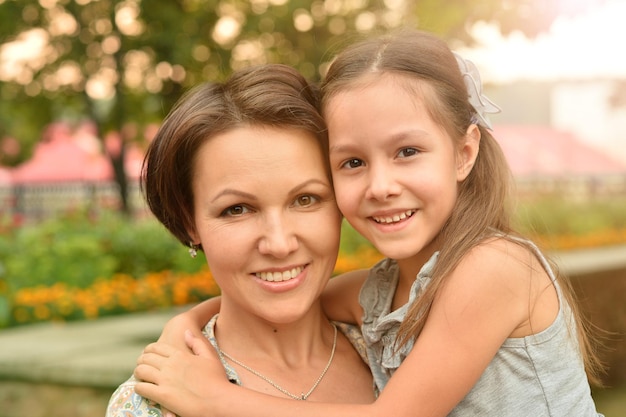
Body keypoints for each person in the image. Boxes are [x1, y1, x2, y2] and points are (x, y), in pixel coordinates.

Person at [134, 29, 604, 416]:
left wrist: (215, 398)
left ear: (464, 153)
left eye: (407, 152)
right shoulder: (379, 293)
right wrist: (186, 327)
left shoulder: (495, 266)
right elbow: (289, 295)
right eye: (353, 162)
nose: (381, 186)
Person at [105, 63, 376, 417]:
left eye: (305, 199)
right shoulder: (155, 404)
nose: (279, 244)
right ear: (190, 222)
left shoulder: (395, 349)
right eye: (237, 209)